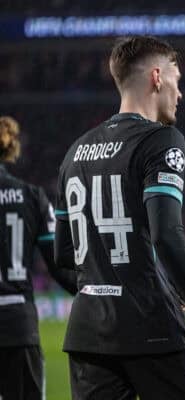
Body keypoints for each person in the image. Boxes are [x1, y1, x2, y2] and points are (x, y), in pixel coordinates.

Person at [53, 36, 185, 400]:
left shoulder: (74, 152)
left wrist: (105, 296)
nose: (180, 94)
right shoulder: (161, 140)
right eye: (178, 81)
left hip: (86, 335)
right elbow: (167, 234)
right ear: (157, 78)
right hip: (152, 329)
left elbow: (64, 255)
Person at [0, 116, 77, 400]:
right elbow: (60, 264)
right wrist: (93, 289)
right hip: (19, 324)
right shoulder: (31, 197)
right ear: (12, 148)